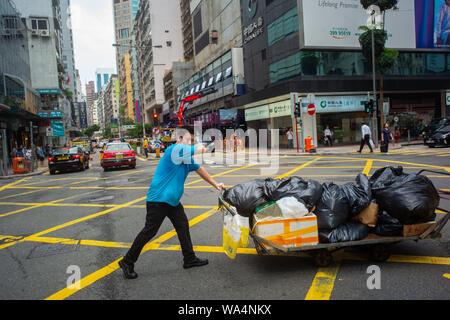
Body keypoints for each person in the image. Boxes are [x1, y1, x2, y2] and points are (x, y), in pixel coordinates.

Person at [118, 126, 225, 279]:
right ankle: (127, 261)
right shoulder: (173, 150)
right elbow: (199, 149)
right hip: (158, 200)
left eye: (193, 140)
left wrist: (216, 184)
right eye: (189, 140)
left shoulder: (186, 158)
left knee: (183, 226)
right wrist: (200, 146)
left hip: (172, 202)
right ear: (180, 139)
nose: (191, 143)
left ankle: (189, 258)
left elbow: (200, 169)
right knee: (149, 231)